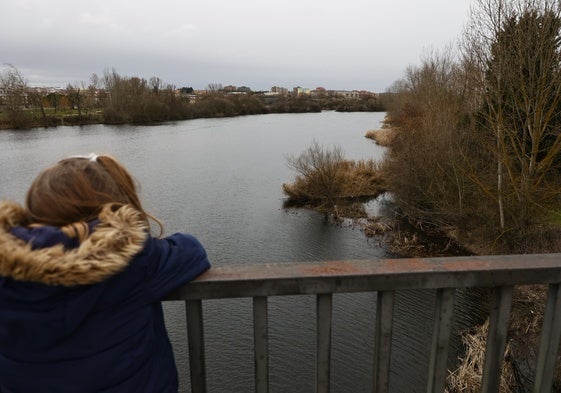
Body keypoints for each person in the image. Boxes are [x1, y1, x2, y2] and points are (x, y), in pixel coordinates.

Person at [0, 153, 211, 393]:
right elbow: (192, 251)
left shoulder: (6, 277)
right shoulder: (132, 262)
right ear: (113, 210)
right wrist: (129, 236)